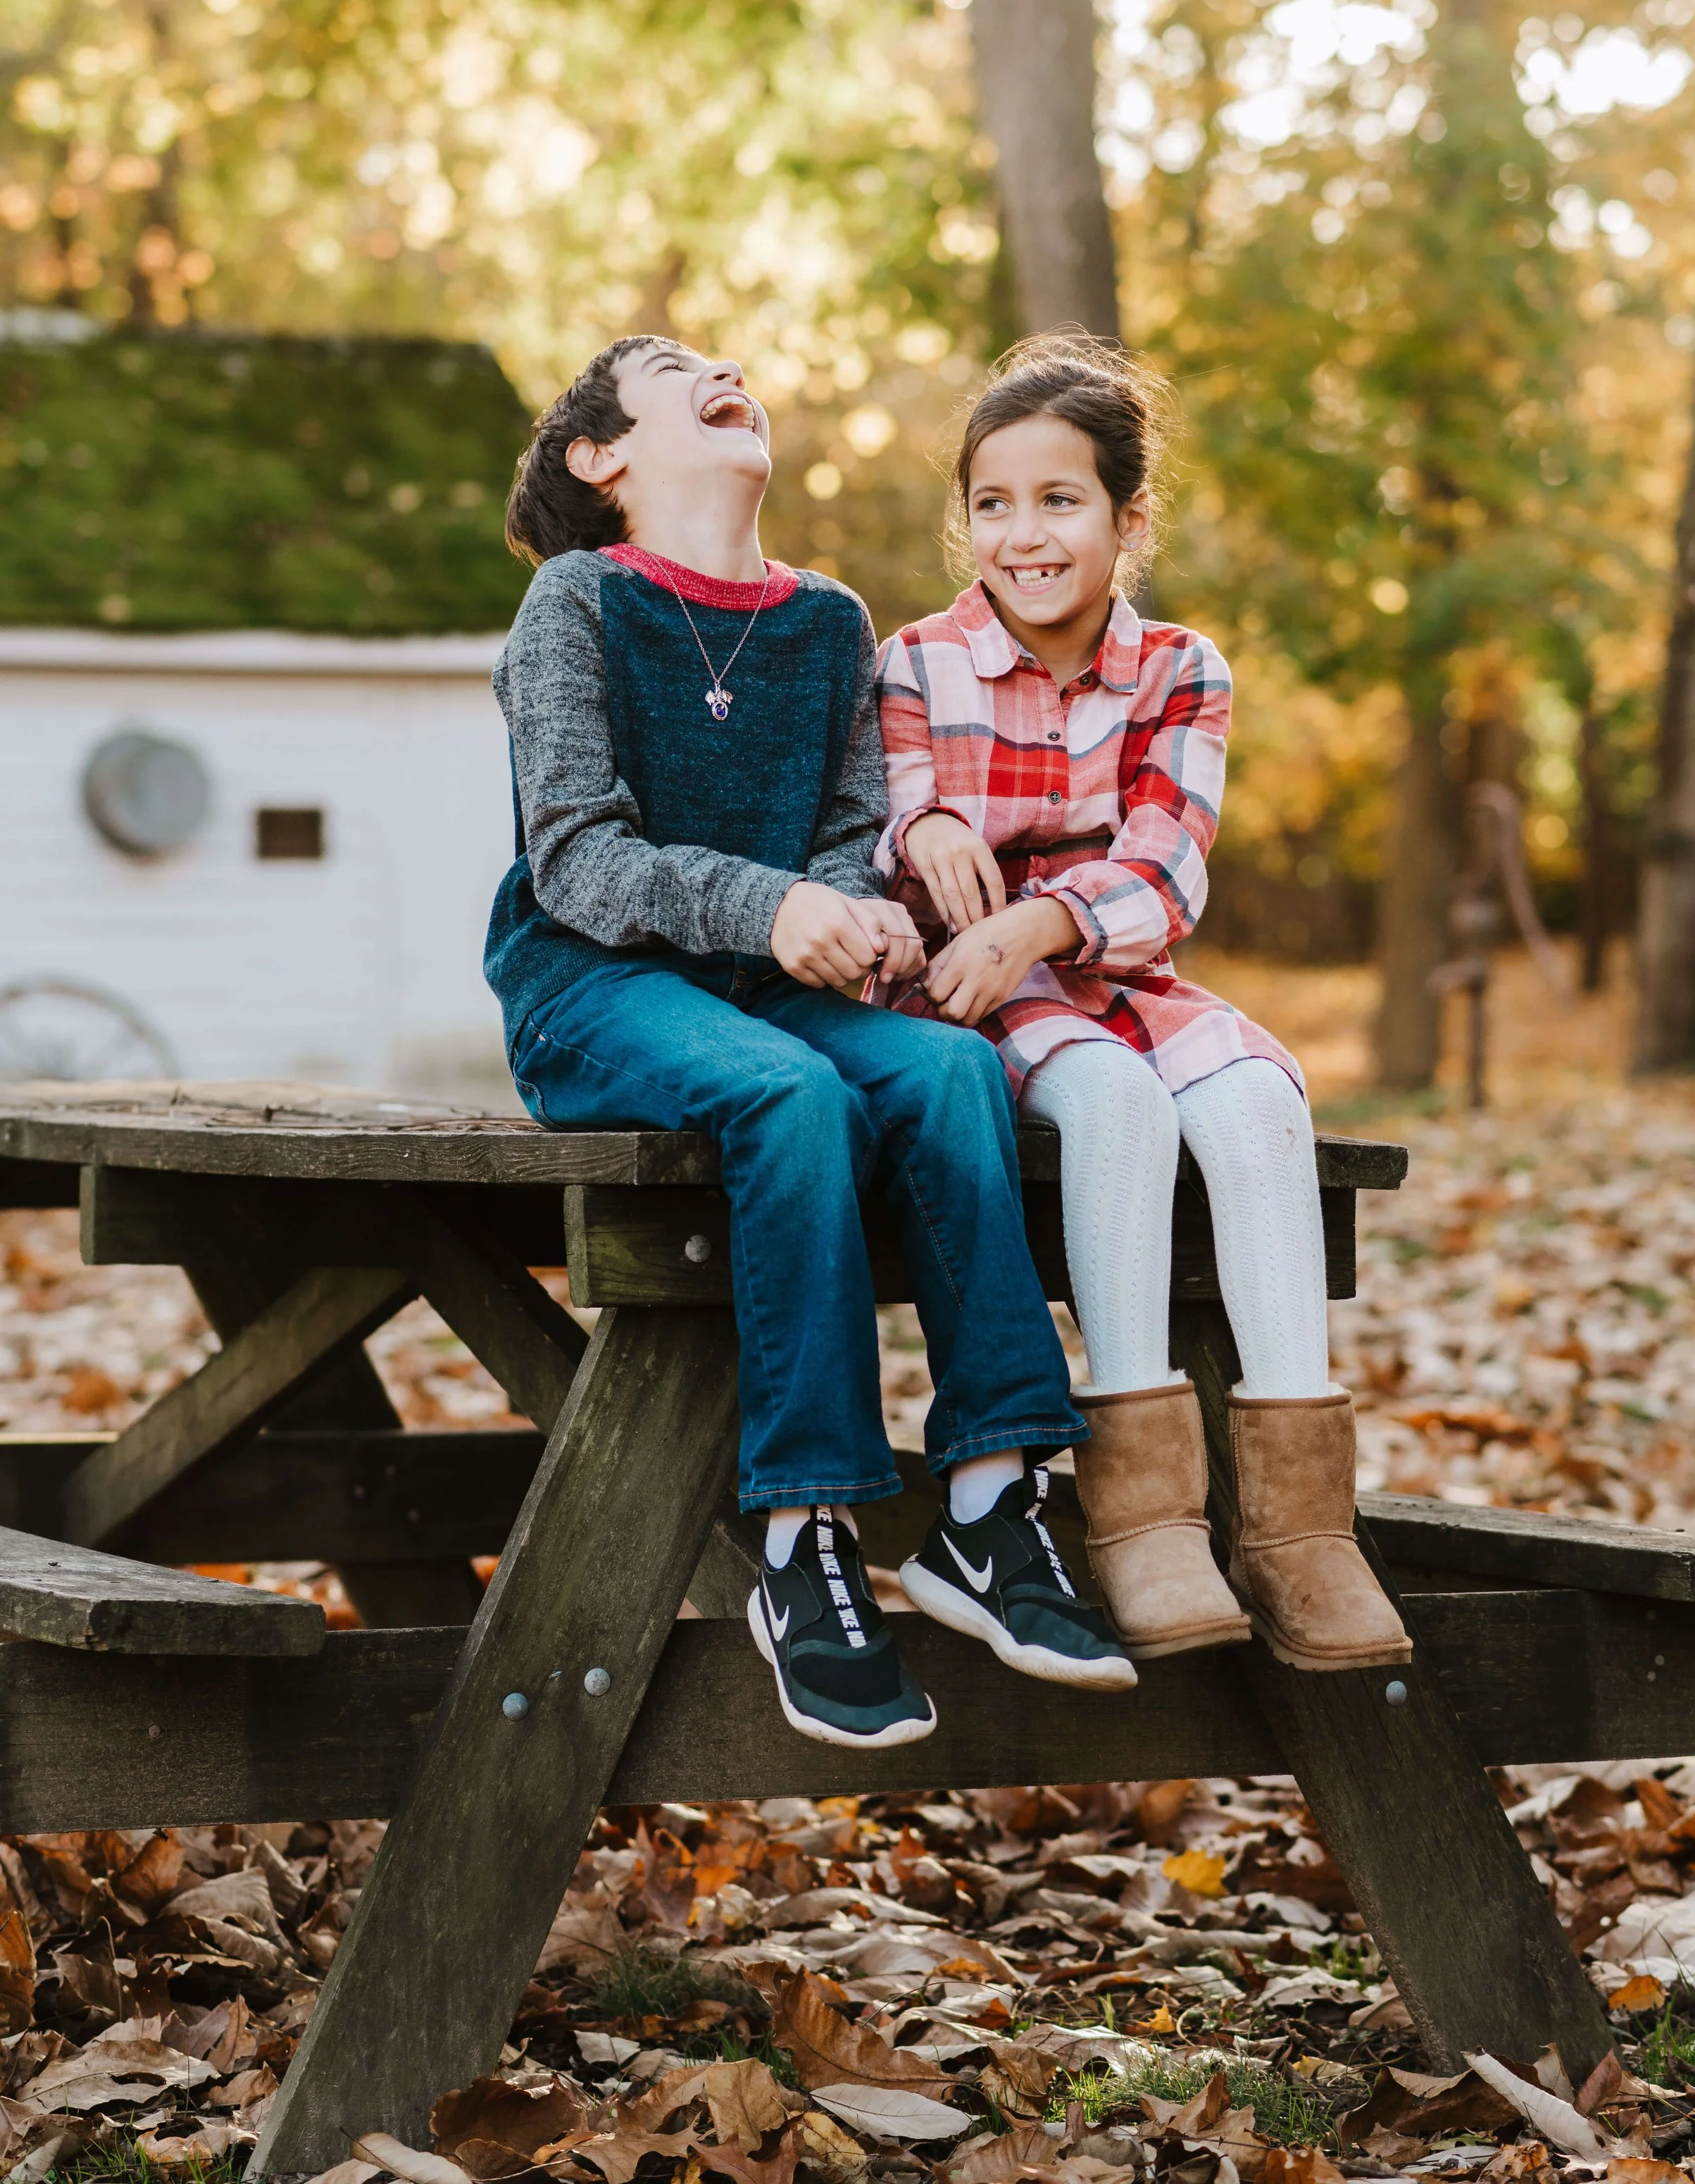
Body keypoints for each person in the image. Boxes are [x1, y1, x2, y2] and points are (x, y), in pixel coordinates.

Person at [483, 334, 1134, 1754]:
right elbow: (578, 859)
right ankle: (802, 1530)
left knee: (955, 1071)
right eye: (668, 368)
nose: (719, 368)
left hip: (773, 980)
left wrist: (859, 915)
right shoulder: (571, 605)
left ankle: (988, 1501)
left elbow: (847, 831)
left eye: (724, 359)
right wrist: (771, 905)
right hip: (595, 983)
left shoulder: (829, 622)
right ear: (603, 460)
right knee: (794, 1101)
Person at [873, 335, 1411, 1676]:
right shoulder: (914, 661)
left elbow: (1169, 864)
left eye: (1061, 501)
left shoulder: (1181, 665)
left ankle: (1302, 1533)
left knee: (1256, 1106)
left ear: (1128, 516)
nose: (1024, 535)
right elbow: (879, 816)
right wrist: (927, 828)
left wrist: (1042, 916)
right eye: (994, 504)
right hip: (984, 1002)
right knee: (1113, 1108)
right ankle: (1142, 1513)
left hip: (1122, 968)